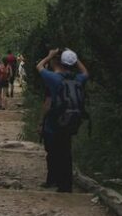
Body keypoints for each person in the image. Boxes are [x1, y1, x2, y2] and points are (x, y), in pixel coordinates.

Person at [37, 47, 89, 193]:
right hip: (72, 119)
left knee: (55, 151)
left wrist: (49, 55)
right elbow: (85, 72)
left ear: (58, 61)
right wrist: (75, 57)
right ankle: (66, 184)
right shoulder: (77, 79)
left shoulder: (54, 78)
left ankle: (59, 182)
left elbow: (39, 67)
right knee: (66, 151)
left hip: (56, 120)